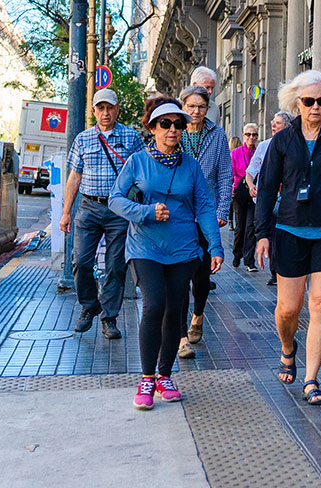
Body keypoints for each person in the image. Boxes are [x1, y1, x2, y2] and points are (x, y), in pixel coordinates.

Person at [254, 69, 321, 406]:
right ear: (297, 103)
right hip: (289, 231)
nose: (315, 107)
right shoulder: (282, 141)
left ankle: (312, 379)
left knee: (320, 305)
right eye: (308, 101)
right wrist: (261, 234)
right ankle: (289, 348)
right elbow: (267, 188)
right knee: (288, 309)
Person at [109, 96, 224, 410]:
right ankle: (146, 378)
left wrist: (215, 246)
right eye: (165, 124)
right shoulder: (137, 162)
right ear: (152, 128)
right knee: (154, 304)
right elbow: (115, 200)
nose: (173, 130)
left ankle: (164, 375)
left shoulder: (191, 166)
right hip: (145, 246)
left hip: (184, 249)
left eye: (178, 124)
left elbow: (204, 207)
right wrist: (146, 211)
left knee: (176, 310)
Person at [60, 88, 144, 339]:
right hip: (88, 207)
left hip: (119, 210)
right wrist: (66, 212)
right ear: (94, 111)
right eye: (101, 108)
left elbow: (142, 173)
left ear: (118, 109)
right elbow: (74, 177)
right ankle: (89, 305)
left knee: (115, 266)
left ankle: (109, 318)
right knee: (80, 261)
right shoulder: (83, 139)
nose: (105, 113)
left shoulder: (131, 137)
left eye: (110, 108)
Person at [176, 85, 232, 359]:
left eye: (200, 107)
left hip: (205, 214)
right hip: (177, 215)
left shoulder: (217, 135)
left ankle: (197, 314)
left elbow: (225, 176)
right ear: (182, 106)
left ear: (207, 108)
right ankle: (181, 336)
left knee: (200, 276)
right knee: (176, 275)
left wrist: (223, 209)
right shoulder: (172, 130)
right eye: (191, 106)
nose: (195, 111)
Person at [247, 112, 295, 286]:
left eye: (278, 123)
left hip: (289, 199)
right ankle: (275, 271)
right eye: (272, 122)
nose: (273, 126)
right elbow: (252, 169)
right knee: (273, 234)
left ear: (288, 125)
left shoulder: (294, 144)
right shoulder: (265, 145)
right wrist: (251, 184)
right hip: (271, 199)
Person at [232, 123, 259, 272]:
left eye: (254, 135)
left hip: (255, 192)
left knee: (251, 227)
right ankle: (237, 254)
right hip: (240, 192)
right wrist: (231, 188)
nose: (251, 137)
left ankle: (250, 261)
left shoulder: (259, 152)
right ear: (243, 136)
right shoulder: (235, 153)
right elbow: (231, 173)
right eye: (248, 134)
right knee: (240, 227)